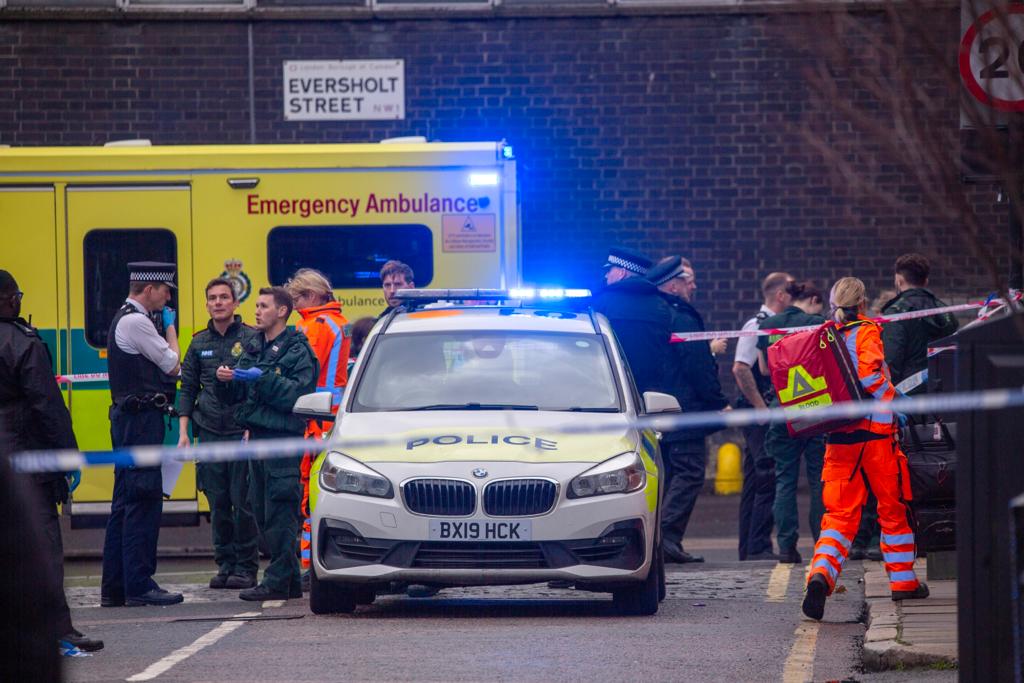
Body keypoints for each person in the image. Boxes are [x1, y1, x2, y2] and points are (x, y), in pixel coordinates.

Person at [802, 277, 929, 621]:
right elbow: (872, 378)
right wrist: (899, 403)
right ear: (862, 303)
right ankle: (903, 583)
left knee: (839, 518)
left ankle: (820, 576)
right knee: (893, 509)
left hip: (839, 439)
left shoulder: (826, 337)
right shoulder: (867, 331)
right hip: (875, 438)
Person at [0, 270, 103, 652]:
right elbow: (47, 405)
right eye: (16, 295)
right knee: (42, 545)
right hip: (28, 460)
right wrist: (67, 457)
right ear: (9, 300)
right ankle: (56, 628)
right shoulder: (23, 342)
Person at [216, 286, 317, 601]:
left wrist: (261, 378)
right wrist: (226, 381)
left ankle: (277, 580)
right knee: (259, 508)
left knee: (280, 508)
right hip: (256, 437)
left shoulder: (297, 348)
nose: (257, 311)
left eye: (263, 306)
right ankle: (285, 580)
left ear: (282, 311)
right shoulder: (254, 345)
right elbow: (237, 398)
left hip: (281, 440)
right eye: (257, 305)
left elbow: (295, 395)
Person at [101, 261, 183, 608]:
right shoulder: (136, 321)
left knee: (124, 503)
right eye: (166, 290)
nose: (168, 297)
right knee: (142, 501)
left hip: (129, 420)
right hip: (139, 423)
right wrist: (172, 329)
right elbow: (173, 364)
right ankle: (139, 584)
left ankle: (116, 586)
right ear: (148, 289)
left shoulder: (125, 317)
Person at [176, 278, 260, 590]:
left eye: (224, 297)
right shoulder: (198, 343)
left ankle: (246, 568)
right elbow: (187, 389)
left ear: (236, 303)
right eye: (212, 298)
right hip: (209, 432)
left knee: (243, 502)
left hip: (240, 432)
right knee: (218, 502)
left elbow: (258, 388)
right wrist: (184, 432)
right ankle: (224, 564)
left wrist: (252, 426)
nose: (218, 303)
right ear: (207, 303)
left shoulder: (252, 338)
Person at [648, 256, 728, 564]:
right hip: (687, 409)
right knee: (690, 471)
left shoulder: (658, 314)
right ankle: (666, 538)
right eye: (689, 280)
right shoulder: (681, 317)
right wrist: (716, 402)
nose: (694, 286)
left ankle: (664, 539)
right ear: (673, 284)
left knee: (670, 473)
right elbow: (697, 365)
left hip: (662, 407)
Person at [284, 268, 351, 587]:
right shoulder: (336, 322)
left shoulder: (316, 326)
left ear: (310, 296)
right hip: (329, 417)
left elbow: (300, 372)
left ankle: (311, 567)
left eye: (296, 298)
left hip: (317, 419)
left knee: (310, 496)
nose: (293, 305)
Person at [756, 280, 826, 564]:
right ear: (812, 300)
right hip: (815, 410)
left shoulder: (770, 325)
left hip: (782, 409)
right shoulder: (818, 323)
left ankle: (786, 547)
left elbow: (763, 369)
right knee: (819, 480)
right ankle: (823, 546)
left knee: (785, 481)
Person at [733, 272, 793, 561]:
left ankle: (749, 546)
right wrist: (760, 408)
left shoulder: (770, 324)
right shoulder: (757, 325)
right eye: (791, 290)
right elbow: (741, 368)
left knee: (756, 479)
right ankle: (758, 546)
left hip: (759, 409)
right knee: (766, 473)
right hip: (758, 411)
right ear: (780, 295)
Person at [591, 246, 673, 396]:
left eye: (609, 271)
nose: (606, 276)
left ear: (622, 272)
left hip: (610, 390)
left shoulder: (601, 303)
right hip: (651, 393)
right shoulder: (661, 305)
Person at [880, 253, 959, 390]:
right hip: (942, 390)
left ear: (899, 280)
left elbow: (892, 360)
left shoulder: (895, 313)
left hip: (907, 394)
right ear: (926, 281)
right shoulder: (944, 311)